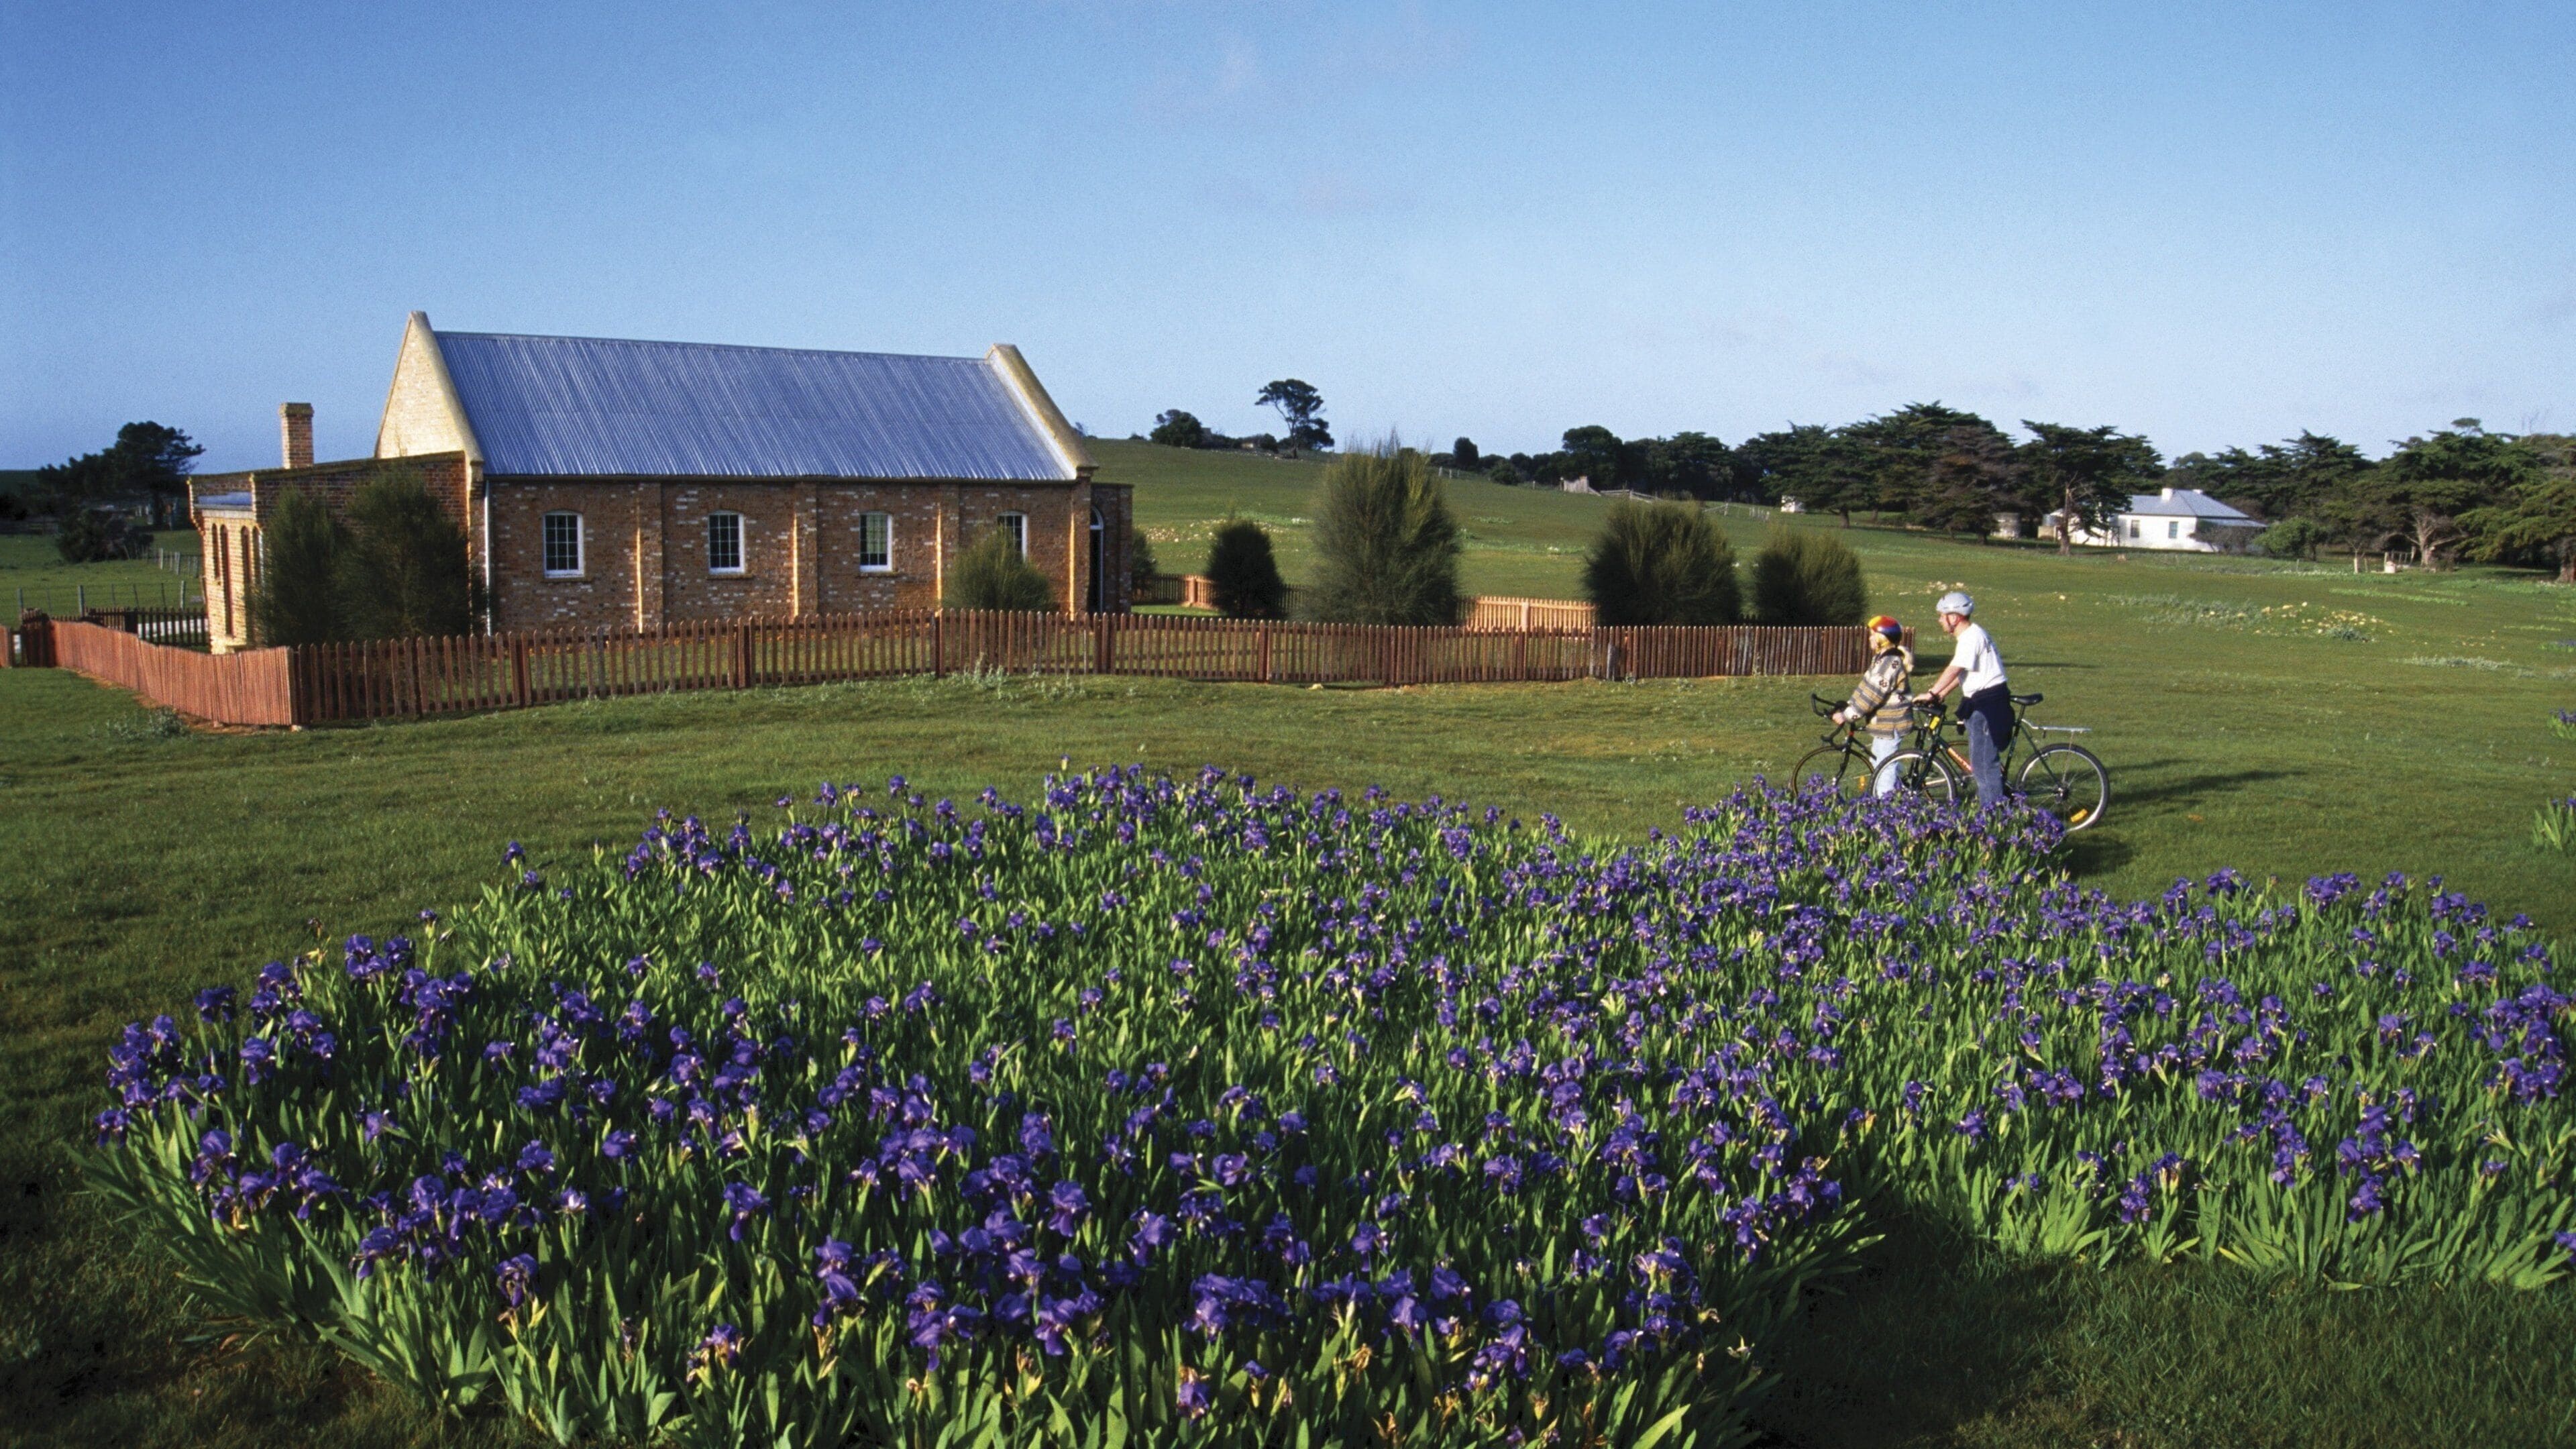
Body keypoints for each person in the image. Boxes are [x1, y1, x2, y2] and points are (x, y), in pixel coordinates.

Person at [1923, 590, 2012, 804]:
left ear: (1954, 617)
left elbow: (1955, 669)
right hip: (1984, 702)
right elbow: (1965, 672)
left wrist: (1932, 692)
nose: (1939, 621)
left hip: (1987, 706)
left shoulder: (1971, 638)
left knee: (1983, 766)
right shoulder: (1973, 634)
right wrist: (1942, 694)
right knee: (1982, 764)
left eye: (1942, 616)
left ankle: (1993, 819)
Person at [1831, 615, 1914, 794]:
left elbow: (1872, 695)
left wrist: (1848, 715)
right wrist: (1848, 704)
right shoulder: (1880, 659)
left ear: (1881, 639)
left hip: (1891, 723)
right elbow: (1865, 687)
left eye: (1872, 635)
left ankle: (1887, 808)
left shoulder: (1890, 663)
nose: (1869, 638)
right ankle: (1902, 792)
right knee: (1880, 761)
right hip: (1881, 724)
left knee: (1884, 768)